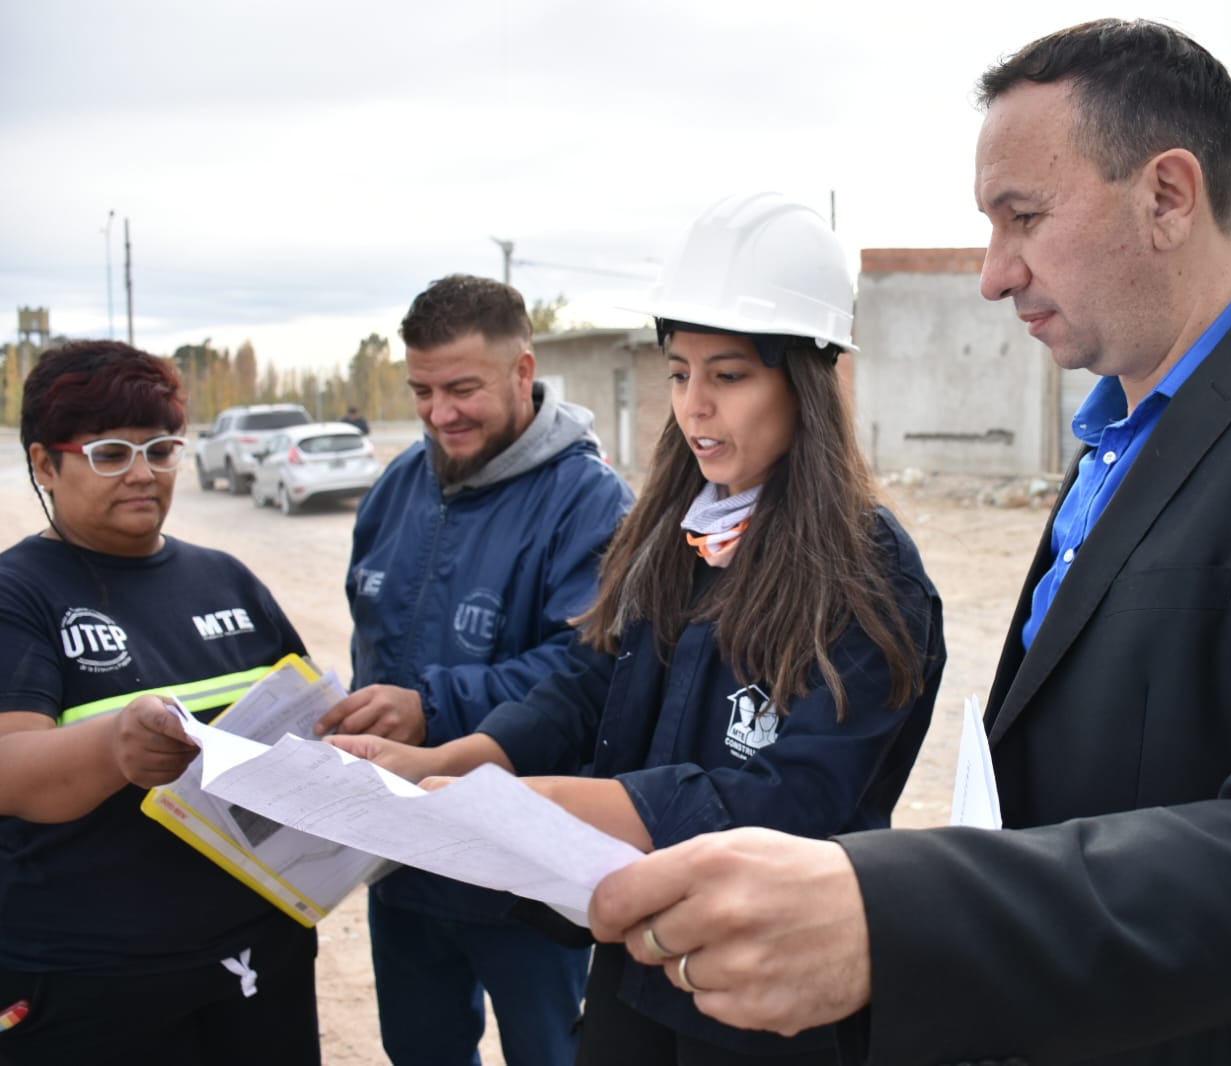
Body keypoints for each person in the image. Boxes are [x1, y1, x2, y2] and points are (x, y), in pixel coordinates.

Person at [584, 20, 1231, 1066]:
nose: (994, 274)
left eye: (1022, 217)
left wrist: (899, 914)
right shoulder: (1115, 440)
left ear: (1168, 193)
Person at [333, 192, 947, 1065]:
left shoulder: (866, 573)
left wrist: (527, 804)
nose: (693, 408)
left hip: (764, 990)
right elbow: (591, 684)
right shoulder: (687, 531)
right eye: (678, 373)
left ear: (814, 381)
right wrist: (444, 764)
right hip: (636, 962)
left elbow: (786, 799)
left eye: (728, 376)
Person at [313, 273, 634, 1066]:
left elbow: (586, 672)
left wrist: (431, 708)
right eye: (421, 390)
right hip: (401, 857)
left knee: (552, 1055)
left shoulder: (590, 503)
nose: (438, 412)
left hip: (524, 868)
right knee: (419, 1049)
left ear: (522, 373)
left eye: (462, 388)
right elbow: (371, 639)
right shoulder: (396, 486)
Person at [0, 342, 320, 1066]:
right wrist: (116, 743)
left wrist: (359, 728)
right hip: (91, 979)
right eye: (110, 453)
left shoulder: (227, 581)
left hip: (256, 957)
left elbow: (305, 729)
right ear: (46, 465)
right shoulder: (19, 594)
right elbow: (9, 766)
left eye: (160, 448)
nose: (142, 472)